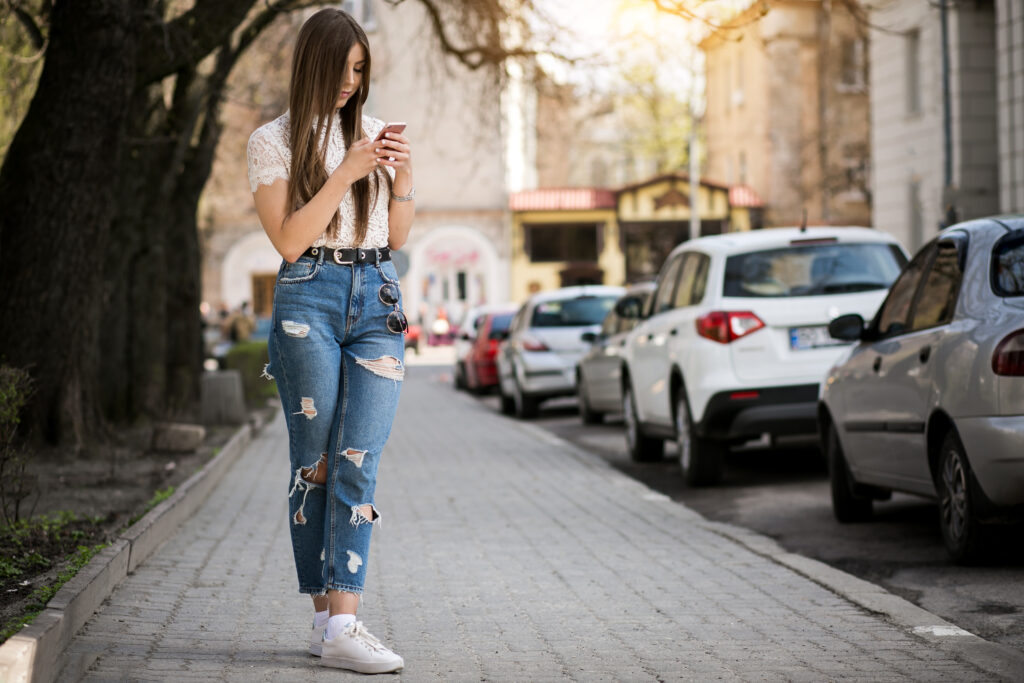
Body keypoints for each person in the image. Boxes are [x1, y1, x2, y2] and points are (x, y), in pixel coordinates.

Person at [245, 7, 414, 674]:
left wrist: (402, 180)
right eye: (343, 67)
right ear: (313, 62)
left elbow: (396, 238)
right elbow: (288, 240)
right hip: (306, 296)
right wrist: (346, 171)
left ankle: (344, 621)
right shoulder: (273, 140)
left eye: (361, 69)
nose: (352, 81)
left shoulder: (372, 133)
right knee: (314, 460)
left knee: (357, 458)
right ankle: (324, 620)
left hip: (377, 295)